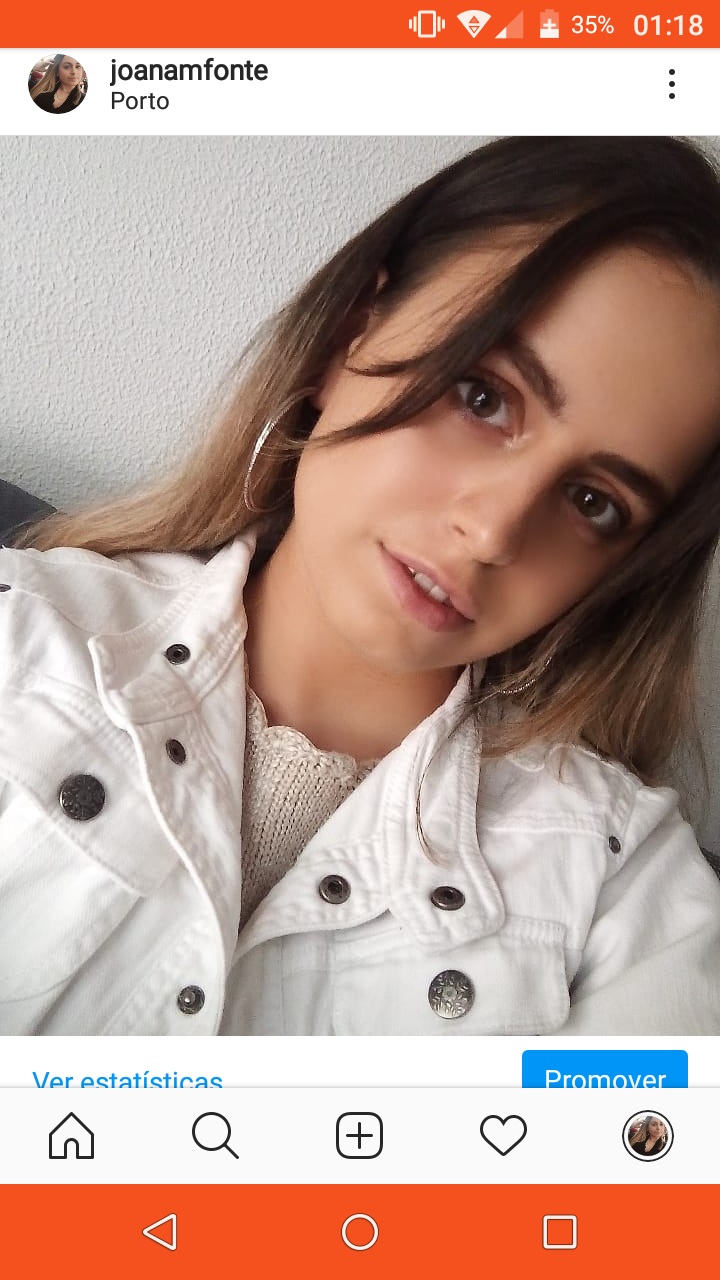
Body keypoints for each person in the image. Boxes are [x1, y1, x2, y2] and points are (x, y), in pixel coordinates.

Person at [2, 135, 720, 1036]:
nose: (494, 532)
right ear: (349, 338)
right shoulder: (23, 641)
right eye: (483, 396)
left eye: (593, 503)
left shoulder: (624, 888)